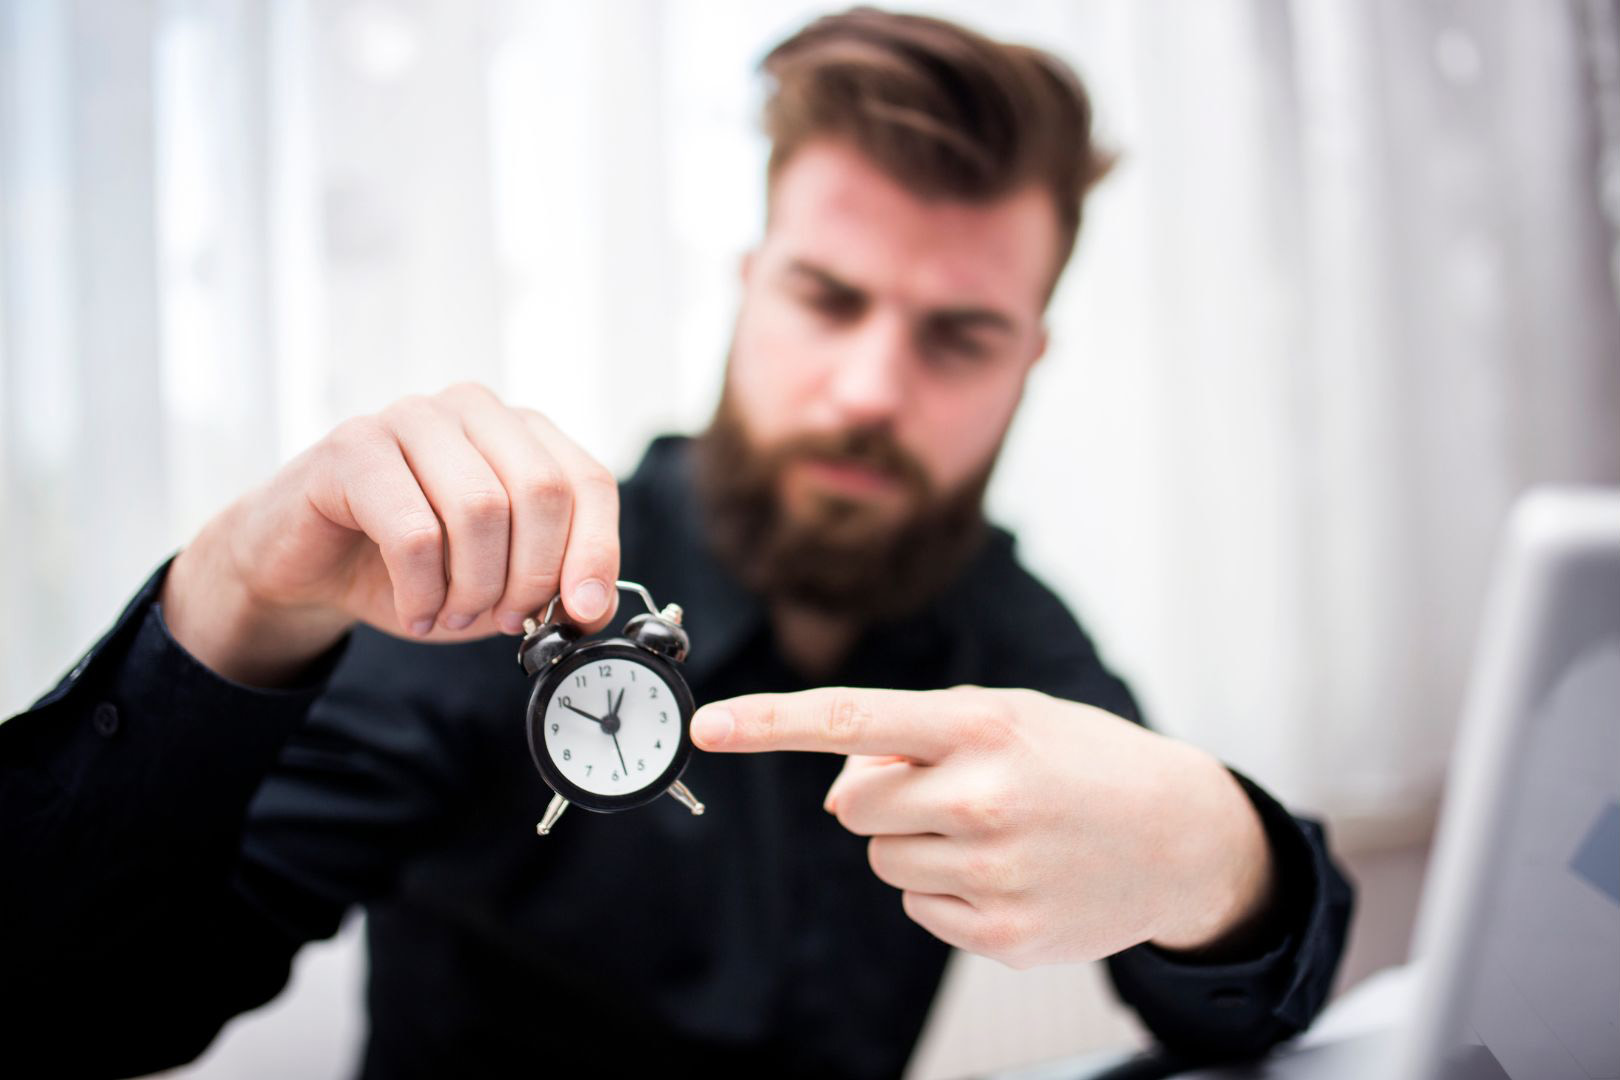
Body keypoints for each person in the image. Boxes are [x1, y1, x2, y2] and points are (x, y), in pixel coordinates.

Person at [0, 9, 1351, 1078]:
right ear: (749, 285)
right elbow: (77, 1012)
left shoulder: (1009, 634)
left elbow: (1239, 1016)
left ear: (1030, 361)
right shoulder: (491, 592)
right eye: (829, 297)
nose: (873, 389)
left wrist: (1217, 851)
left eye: (959, 336)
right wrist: (234, 597)